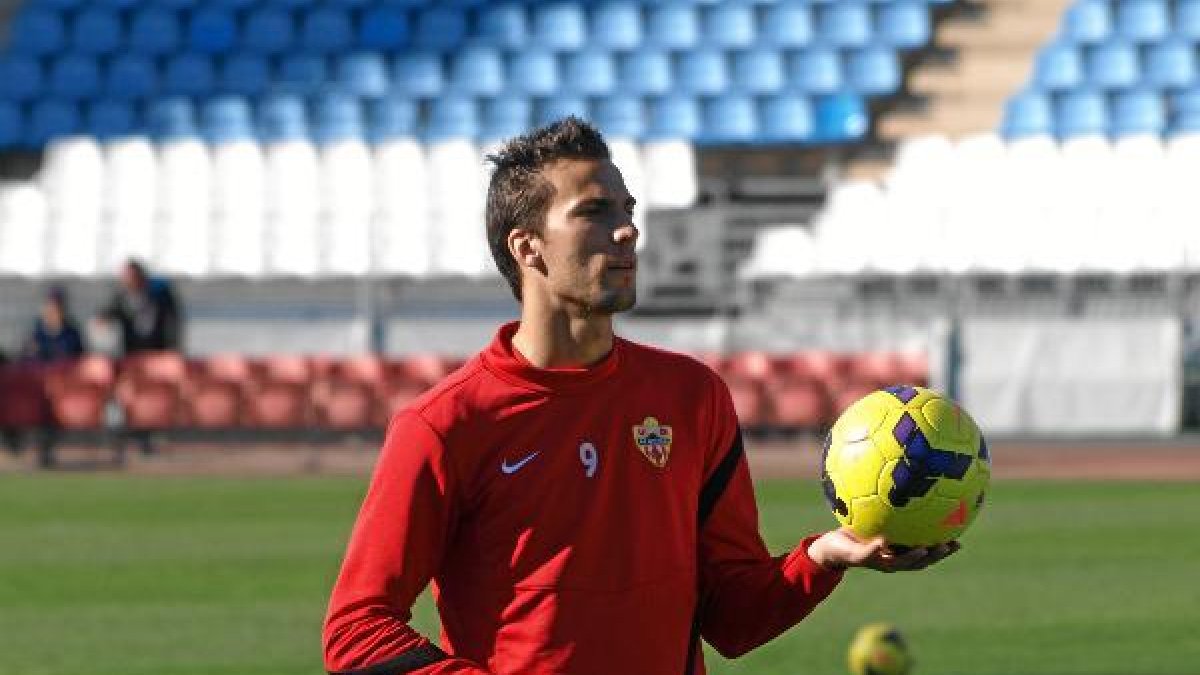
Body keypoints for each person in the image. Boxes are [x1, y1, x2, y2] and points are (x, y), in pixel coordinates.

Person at [323, 118, 959, 675]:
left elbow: (731, 617)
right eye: (595, 212)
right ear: (528, 248)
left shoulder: (691, 397)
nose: (626, 231)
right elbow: (356, 632)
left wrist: (824, 557)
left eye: (627, 211)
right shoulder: (446, 424)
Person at [96, 259, 182, 356]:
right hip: (131, 354)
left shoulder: (161, 296)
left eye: (134, 277)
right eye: (127, 277)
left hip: (159, 351)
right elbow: (107, 314)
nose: (131, 281)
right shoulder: (120, 299)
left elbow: (173, 323)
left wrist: (173, 348)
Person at [22, 286, 86, 363]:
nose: (53, 311)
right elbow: (24, 363)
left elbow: (81, 360)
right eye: (50, 307)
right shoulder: (34, 335)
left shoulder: (73, 335)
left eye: (57, 308)